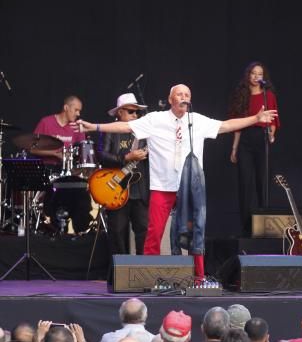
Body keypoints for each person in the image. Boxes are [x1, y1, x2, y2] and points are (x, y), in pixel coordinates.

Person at [78, 83, 277, 278]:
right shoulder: (155, 119)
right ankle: (148, 275)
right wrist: (95, 126)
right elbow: (125, 126)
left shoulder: (196, 120)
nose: (184, 97)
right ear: (170, 100)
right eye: (179, 94)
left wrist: (256, 118)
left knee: (194, 233)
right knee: (154, 233)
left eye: (187, 94)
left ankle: (198, 276)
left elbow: (225, 125)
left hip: (190, 187)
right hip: (163, 186)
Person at [228, 61, 280, 236]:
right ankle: (245, 228)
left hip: (262, 138)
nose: (257, 77)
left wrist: (271, 134)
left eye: (260, 74)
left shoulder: (268, 95)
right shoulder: (241, 95)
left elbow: (273, 120)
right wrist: (234, 149)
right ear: (248, 75)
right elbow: (237, 124)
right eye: (254, 73)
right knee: (245, 183)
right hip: (245, 140)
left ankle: (264, 227)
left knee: (263, 182)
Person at [98, 93, 149, 255]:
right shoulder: (110, 131)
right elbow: (102, 155)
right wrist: (126, 157)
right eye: (131, 112)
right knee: (117, 232)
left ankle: (142, 272)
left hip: (139, 190)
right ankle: (120, 273)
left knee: (144, 230)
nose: (135, 115)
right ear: (119, 112)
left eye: (137, 112)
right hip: (117, 190)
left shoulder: (144, 133)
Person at [34, 95, 92, 233]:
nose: (78, 114)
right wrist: (54, 154)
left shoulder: (76, 127)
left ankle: (81, 231)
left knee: (81, 197)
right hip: (48, 171)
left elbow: (83, 154)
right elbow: (33, 148)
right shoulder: (46, 122)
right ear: (66, 108)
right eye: (76, 110)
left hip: (69, 172)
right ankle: (52, 226)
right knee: (53, 201)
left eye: (79, 111)